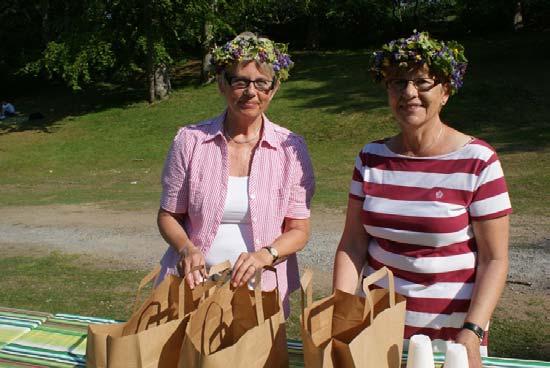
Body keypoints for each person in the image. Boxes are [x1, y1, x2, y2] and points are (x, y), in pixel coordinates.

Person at [333, 31, 511, 368]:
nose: (409, 93)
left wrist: (472, 331)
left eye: (423, 82)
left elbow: (494, 259)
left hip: (451, 338)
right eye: (398, 83)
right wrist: (341, 311)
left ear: (445, 91)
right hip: (377, 328)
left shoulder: (478, 161)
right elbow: (353, 244)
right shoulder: (371, 157)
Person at [156, 32, 315, 316]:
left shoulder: (291, 148)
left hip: (262, 293)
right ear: (221, 84)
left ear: (273, 89)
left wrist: (267, 255)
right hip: (193, 288)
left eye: (261, 83)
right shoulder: (190, 141)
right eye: (239, 81)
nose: (250, 92)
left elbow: (298, 230)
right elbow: (168, 215)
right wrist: (187, 250)